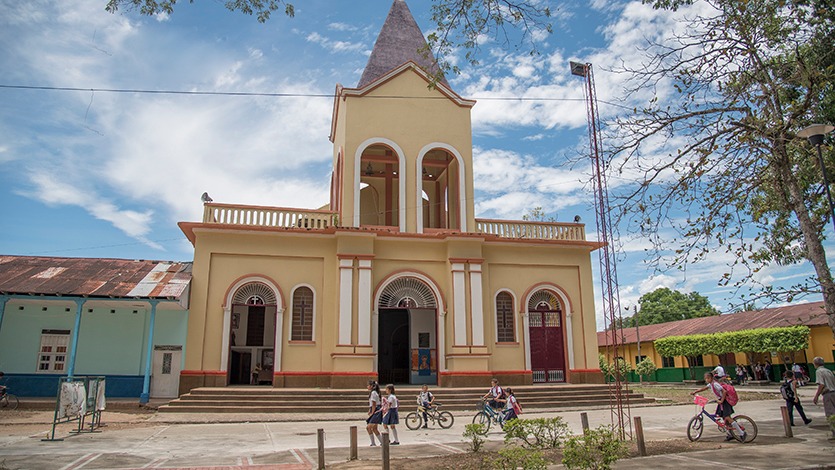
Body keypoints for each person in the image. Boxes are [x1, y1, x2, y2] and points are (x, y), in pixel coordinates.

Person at [691, 372, 746, 442]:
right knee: (723, 417)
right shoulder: (711, 384)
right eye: (705, 378)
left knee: (727, 417)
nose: (706, 380)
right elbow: (704, 388)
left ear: (711, 378)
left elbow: (724, 391)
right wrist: (695, 392)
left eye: (708, 378)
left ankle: (742, 433)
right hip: (721, 401)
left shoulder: (715, 384)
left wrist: (722, 401)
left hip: (724, 401)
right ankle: (730, 434)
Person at [811, 356, 835, 439]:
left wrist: (816, 396)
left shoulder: (819, 371)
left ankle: (834, 433)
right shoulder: (828, 371)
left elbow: (821, 384)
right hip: (833, 392)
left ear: (815, 364)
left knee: (830, 414)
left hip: (827, 393)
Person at [365, 380, 383, 446]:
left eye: (368, 385)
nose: (367, 387)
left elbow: (374, 404)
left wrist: (372, 412)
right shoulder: (374, 393)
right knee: (375, 428)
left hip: (376, 411)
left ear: (372, 386)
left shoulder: (373, 393)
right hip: (375, 410)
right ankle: (382, 442)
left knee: (368, 427)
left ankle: (373, 443)